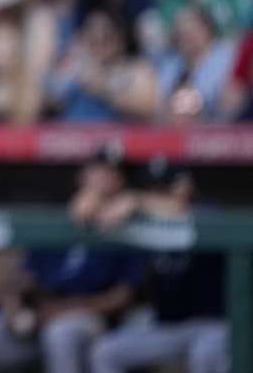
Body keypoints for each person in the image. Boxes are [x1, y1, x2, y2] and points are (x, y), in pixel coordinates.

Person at [0, 145, 144, 373]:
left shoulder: (128, 227)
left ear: (121, 182)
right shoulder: (61, 219)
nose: (103, 179)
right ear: (81, 177)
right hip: (41, 315)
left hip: (89, 319)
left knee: (61, 334)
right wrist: (13, 307)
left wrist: (62, 311)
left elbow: (121, 297)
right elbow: (25, 277)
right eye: (97, 171)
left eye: (112, 173)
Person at [89, 159, 228, 373]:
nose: (156, 194)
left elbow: (182, 211)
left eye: (164, 189)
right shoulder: (136, 218)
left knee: (206, 355)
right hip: (164, 324)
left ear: (186, 187)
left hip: (213, 323)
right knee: (106, 352)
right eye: (151, 189)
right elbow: (85, 211)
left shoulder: (208, 212)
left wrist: (138, 200)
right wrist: (93, 199)